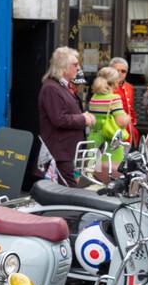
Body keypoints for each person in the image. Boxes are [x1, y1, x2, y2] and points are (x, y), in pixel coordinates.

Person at [38, 47, 95, 186]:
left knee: (71, 191)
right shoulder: (51, 88)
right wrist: (83, 119)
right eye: (75, 65)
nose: (79, 68)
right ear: (63, 67)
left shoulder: (61, 86)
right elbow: (59, 119)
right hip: (60, 154)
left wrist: (82, 115)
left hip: (69, 152)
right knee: (69, 192)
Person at [86, 66, 130, 170]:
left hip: (93, 140)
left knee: (93, 172)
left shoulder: (94, 97)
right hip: (110, 143)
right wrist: (128, 118)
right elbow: (121, 122)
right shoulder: (114, 98)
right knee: (113, 173)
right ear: (115, 82)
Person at [110, 57, 138, 146]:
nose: (120, 73)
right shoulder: (106, 87)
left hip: (128, 131)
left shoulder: (129, 87)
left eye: (123, 71)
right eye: (117, 70)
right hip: (112, 130)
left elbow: (130, 109)